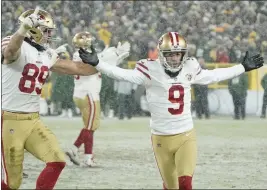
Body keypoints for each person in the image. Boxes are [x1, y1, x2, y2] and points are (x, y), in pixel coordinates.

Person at [78, 32, 264, 190]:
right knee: (171, 186)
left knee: (185, 184)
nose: (175, 58)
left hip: (185, 135)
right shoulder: (150, 69)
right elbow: (124, 75)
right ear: (161, 54)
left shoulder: (190, 67)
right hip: (160, 138)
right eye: (170, 54)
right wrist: (98, 64)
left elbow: (213, 76)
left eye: (178, 54)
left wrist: (242, 67)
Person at [1, 8, 97, 190]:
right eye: (46, 30)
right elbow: (10, 53)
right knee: (12, 183)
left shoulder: (45, 54)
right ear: (33, 29)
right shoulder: (13, 41)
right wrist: (21, 30)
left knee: (57, 160)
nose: (49, 35)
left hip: (33, 120)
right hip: (9, 120)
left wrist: (96, 62)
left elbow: (79, 69)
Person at [65, 32, 130, 167]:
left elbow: (101, 61)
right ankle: (76, 149)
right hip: (89, 94)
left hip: (81, 93)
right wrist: (115, 54)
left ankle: (87, 156)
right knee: (91, 126)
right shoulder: (84, 55)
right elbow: (99, 62)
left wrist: (113, 55)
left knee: (89, 127)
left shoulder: (79, 54)